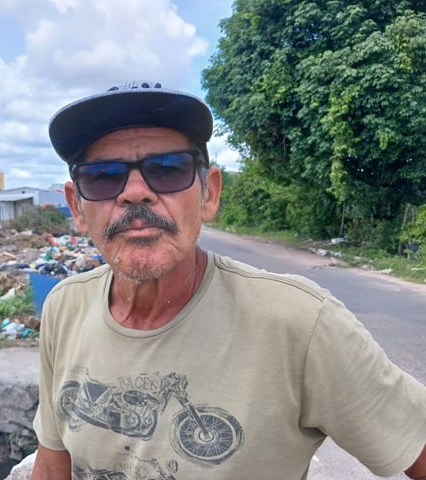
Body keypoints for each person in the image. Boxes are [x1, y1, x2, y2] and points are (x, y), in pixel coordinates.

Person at [31, 81, 426, 479]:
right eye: (103, 176)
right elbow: (51, 465)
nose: (136, 192)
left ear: (209, 194)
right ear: (77, 207)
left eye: (167, 169)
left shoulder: (301, 323)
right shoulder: (65, 306)